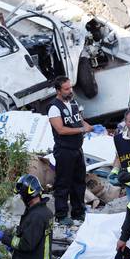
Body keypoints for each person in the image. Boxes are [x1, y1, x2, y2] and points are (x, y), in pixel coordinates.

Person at [47, 76, 94, 226]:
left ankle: (78, 212)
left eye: (70, 87)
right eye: (66, 89)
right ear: (58, 90)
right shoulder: (54, 107)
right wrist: (81, 129)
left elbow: (79, 119)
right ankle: (61, 215)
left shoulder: (72, 102)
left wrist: (89, 126)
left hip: (77, 149)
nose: (70, 91)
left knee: (79, 182)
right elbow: (60, 129)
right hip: (64, 150)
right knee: (63, 183)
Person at [109, 110, 130, 200]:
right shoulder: (118, 139)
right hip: (129, 182)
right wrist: (114, 171)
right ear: (126, 122)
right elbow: (118, 157)